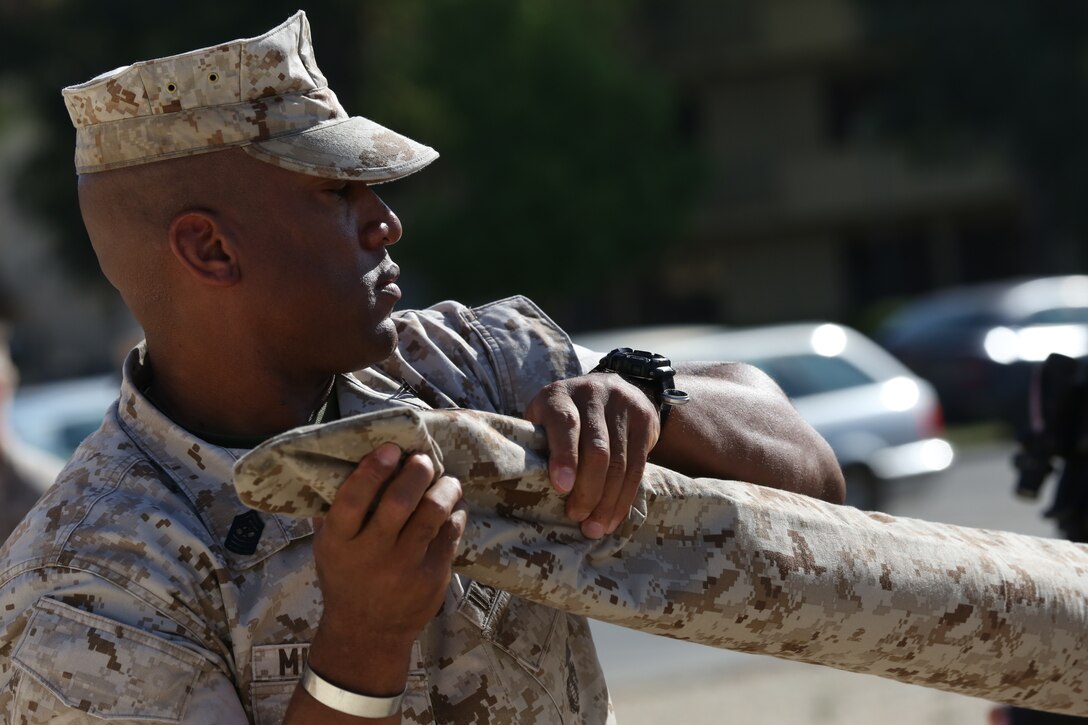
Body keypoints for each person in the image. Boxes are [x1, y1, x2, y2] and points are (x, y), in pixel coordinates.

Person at [0, 12, 843, 724]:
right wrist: (361, 643)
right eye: (337, 193)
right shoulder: (86, 580)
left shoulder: (453, 365)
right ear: (211, 248)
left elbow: (816, 483)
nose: (386, 223)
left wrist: (646, 393)